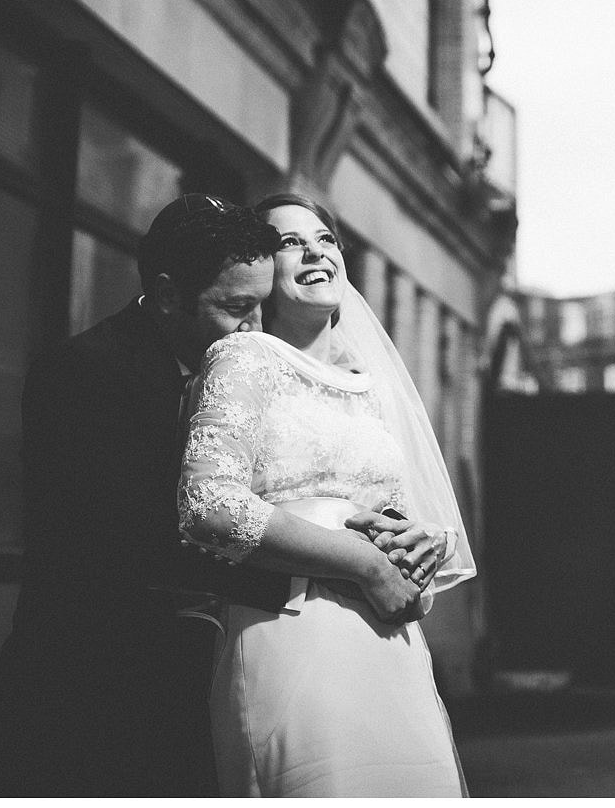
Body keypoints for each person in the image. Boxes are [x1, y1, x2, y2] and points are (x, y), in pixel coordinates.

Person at [0, 194, 439, 796]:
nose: (252, 328)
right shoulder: (86, 373)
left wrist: (392, 537)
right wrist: (345, 571)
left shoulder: (258, 372)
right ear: (168, 295)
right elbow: (127, 543)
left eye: (261, 306)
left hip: (200, 690)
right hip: (92, 695)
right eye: (239, 308)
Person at [179, 191, 476, 796]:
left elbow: (408, 521)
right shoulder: (244, 360)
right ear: (262, 271)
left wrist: (422, 547)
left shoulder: (375, 388)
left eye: (326, 240)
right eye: (290, 241)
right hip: (291, 633)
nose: (315, 251)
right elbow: (207, 506)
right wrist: (365, 563)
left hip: (391, 646)